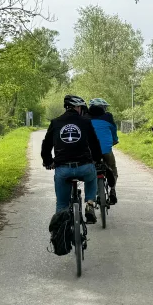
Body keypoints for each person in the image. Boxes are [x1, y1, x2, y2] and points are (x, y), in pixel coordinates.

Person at [41, 95, 104, 223]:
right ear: (77, 107)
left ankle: (60, 233)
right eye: (81, 107)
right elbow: (94, 143)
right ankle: (90, 204)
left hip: (63, 169)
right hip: (84, 167)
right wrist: (96, 159)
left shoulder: (55, 122)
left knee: (62, 205)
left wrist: (48, 161)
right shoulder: (85, 122)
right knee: (92, 177)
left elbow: (46, 144)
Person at [88, 98, 119, 204]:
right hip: (106, 149)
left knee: (89, 171)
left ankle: (91, 198)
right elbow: (113, 130)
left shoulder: (85, 117)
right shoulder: (108, 117)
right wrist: (115, 140)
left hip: (90, 151)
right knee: (112, 168)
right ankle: (113, 190)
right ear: (103, 108)